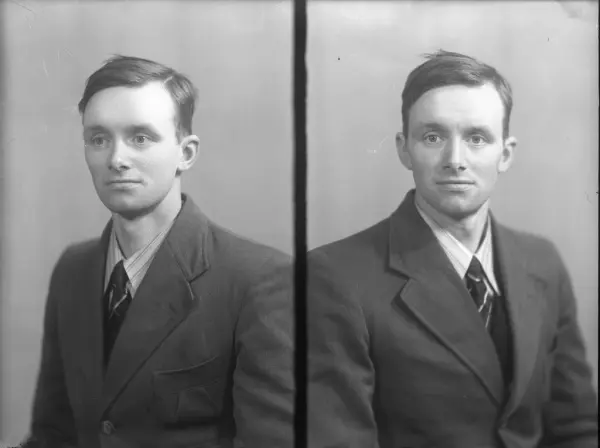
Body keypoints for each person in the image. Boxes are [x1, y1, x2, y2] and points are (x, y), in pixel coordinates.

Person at [307, 50, 598, 448]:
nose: (455, 160)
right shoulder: (336, 276)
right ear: (404, 149)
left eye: (477, 138)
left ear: (505, 154)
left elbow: (576, 427)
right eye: (433, 137)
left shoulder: (541, 262)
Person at [22, 55, 294, 448]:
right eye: (99, 139)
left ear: (186, 153)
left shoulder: (261, 280)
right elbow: (52, 435)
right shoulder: (73, 270)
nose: (116, 159)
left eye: (140, 138)